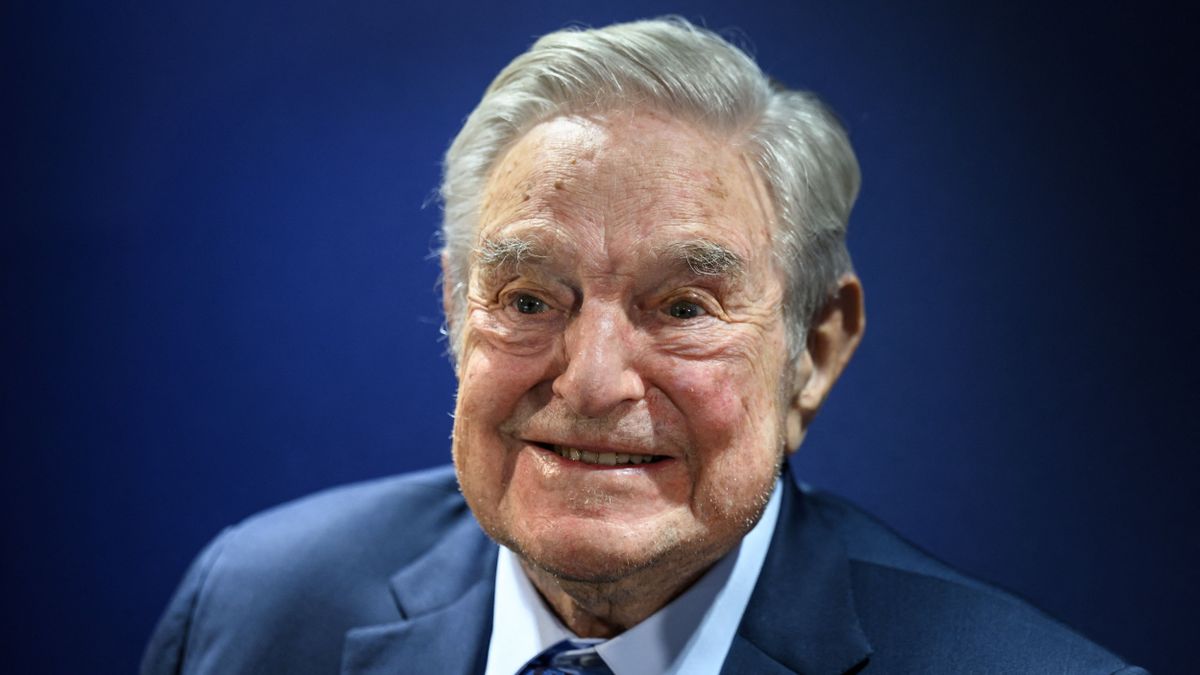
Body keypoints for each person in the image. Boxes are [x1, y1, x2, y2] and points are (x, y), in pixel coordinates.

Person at [142, 18, 1145, 675]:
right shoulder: (253, 613)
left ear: (816, 348)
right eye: (529, 297)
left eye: (685, 308)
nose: (590, 379)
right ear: (456, 309)